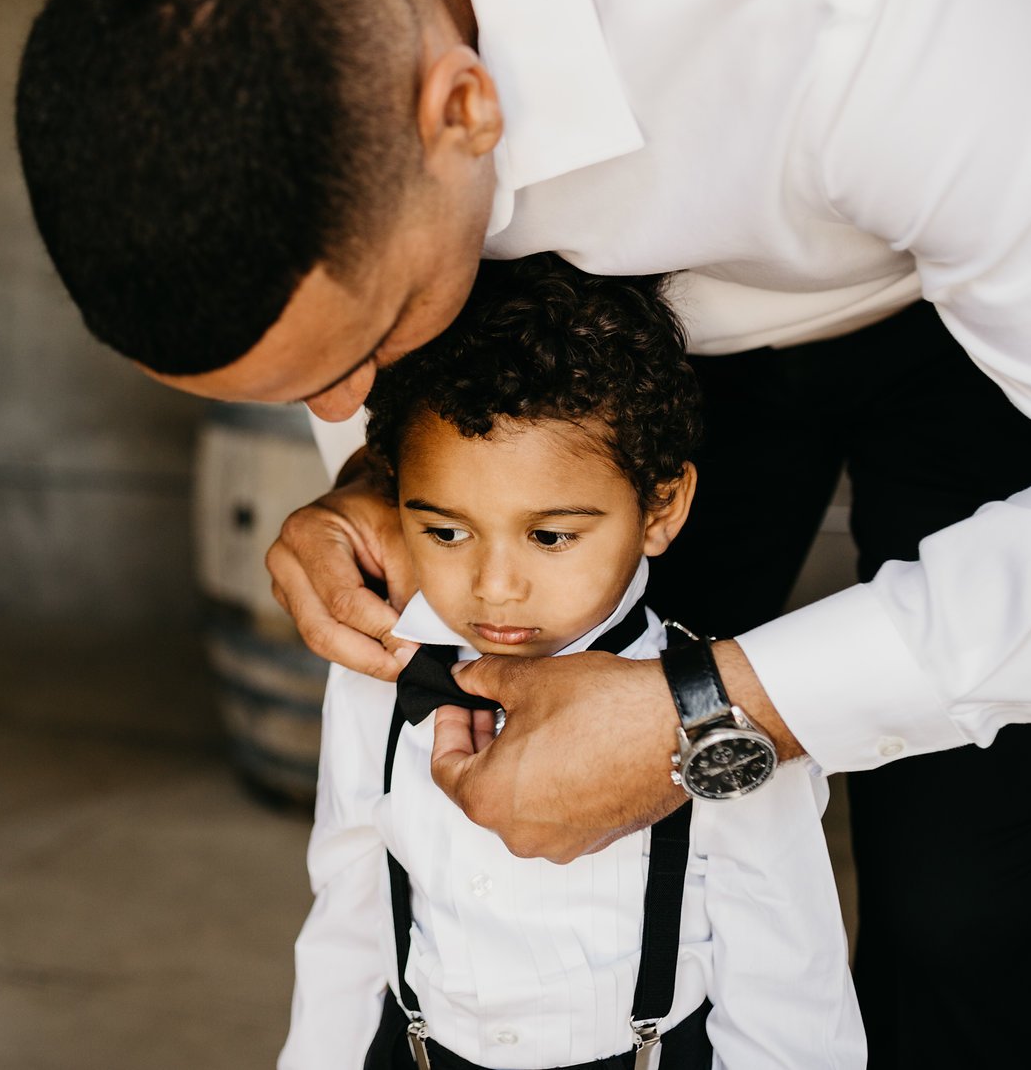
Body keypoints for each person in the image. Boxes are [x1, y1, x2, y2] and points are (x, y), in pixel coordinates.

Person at [13, 0, 1031, 1064]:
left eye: (365, 349)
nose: (344, 408)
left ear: (463, 110)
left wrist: (716, 714)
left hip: (998, 266)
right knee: (601, 849)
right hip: (627, 331)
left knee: (959, 904)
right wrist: (386, 476)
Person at [283, 255, 861, 1070]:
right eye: (445, 530)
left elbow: (789, 990)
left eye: (551, 535)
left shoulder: (718, 719)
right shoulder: (378, 670)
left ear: (661, 506)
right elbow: (347, 905)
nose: (494, 584)